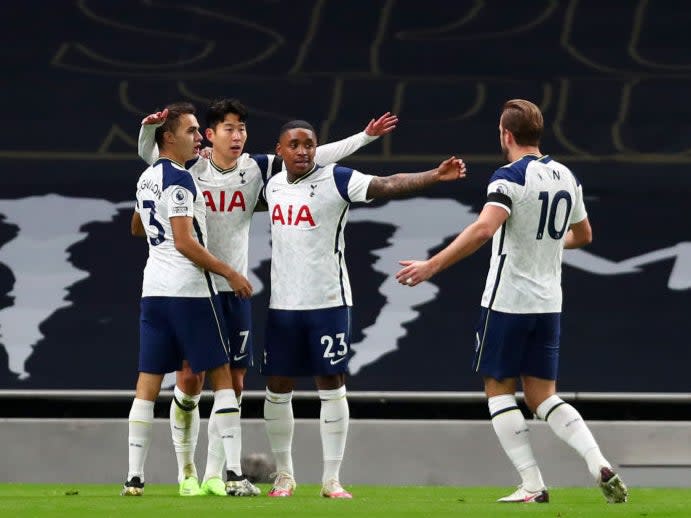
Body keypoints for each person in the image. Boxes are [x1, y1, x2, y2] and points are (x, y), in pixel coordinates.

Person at [138, 99, 398, 496]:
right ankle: (184, 469)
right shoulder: (191, 167)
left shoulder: (256, 169)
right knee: (190, 379)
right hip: (196, 288)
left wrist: (364, 137)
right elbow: (154, 162)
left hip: (234, 291)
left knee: (235, 384)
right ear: (210, 135)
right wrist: (146, 131)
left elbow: (310, 156)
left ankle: (217, 473)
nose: (238, 135)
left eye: (242, 128)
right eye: (228, 128)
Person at [395, 99, 628, 504]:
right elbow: (584, 235)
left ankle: (533, 484)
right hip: (548, 301)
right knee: (543, 396)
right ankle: (598, 462)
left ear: (506, 134)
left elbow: (484, 229)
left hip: (508, 301)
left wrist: (432, 265)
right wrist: (546, 245)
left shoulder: (508, 177)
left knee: (498, 389)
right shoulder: (566, 176)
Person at [262, 119, 466, 498]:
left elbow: (387, 184)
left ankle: (331, 479)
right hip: (283, 306)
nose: (303, 150)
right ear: (280, 151)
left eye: (309, 144)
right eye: (294, 144)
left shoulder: (337, 180)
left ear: (316, 148)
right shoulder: (271, 186)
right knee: (277, 388)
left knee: (331, 384)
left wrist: (434, 176)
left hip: (329, 302)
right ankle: (284, 476)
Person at [123, 102, 251, 497]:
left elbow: (136, 227)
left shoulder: (147, 178)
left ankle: (134, 478)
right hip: (189, 292)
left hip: (153, 291)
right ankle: (232, 474)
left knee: (147, 382)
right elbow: (183, 241)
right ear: (169, 138)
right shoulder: (181, 181)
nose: (199, 138)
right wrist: (230, 272)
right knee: (222, 377)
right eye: (192, 131)